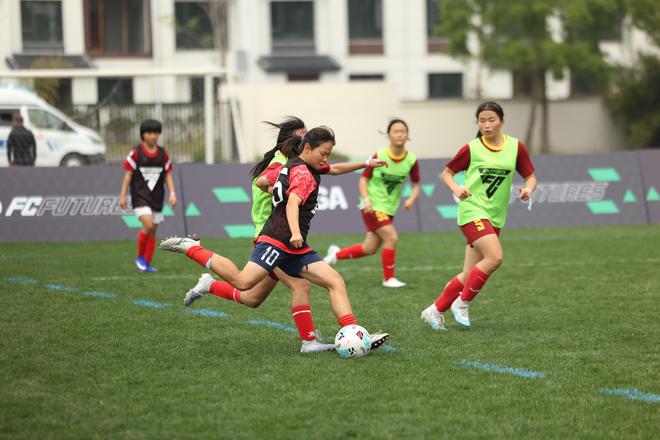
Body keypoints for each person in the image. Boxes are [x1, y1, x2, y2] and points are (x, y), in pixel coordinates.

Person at [160, 126, 391, 351]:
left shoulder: (293, 165)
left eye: (328, 154)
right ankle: (192, 248)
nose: (326, 159)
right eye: (323, 153)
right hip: (278, 240)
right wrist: (296, 231)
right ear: (307, 148)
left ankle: (352, 334)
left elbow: (265, 181)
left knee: (333, 281)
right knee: (243, 282)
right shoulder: (303, 173)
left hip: (294, 247)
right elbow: (292, 204)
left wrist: (366, 163)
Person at [181, 117, 337, 353]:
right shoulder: (281, 164)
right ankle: (309, 342)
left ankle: (209, 285)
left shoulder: (298, 164)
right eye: (302, 134)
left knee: (252, 298)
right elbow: (264, 181)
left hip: (281, 237)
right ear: (292, 139)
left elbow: (331, 169)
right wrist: (278, 189)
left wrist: (366, 163)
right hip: (273, 236)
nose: (307, 139)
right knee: (300, 286)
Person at [421, 102, 537, 330]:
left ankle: (434, 310)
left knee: (468, 274)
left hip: (495, 216)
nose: (486, 125)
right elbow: (447, 174)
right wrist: (456, 188)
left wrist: (528, 190)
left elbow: (530, 176)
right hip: (472, 211)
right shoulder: (471, 148)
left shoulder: (516, 147)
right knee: (495, 257)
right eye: (482, 120)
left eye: (491, 120)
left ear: (502, 121)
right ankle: (462, 303)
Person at [324, 119, 421, 288]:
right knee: (391, 237)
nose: (399, 134)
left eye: (403, 131)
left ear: (407, 135)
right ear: (388, 135)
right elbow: (363, 179)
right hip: (372, 206)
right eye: (396, 131)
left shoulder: (411, 159)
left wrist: (411, 199)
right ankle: (389, 279)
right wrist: (367, 200)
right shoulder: (379, 155)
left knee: (370, 248)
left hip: (390, 208)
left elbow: (416, 185)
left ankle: (336, 254)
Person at [119, 119, 177, 273]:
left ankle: (147, 263)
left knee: (153, 231)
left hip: (157, 198)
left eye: (156, 133)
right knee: (149, 224)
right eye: (149, 133)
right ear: (143, 135)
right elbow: (128, 175)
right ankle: (140, 258)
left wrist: (172, 193)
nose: (153, 136)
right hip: (140, 197)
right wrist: (123, 195)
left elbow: (168, 175)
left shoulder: (163, 154)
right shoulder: (136, 153)